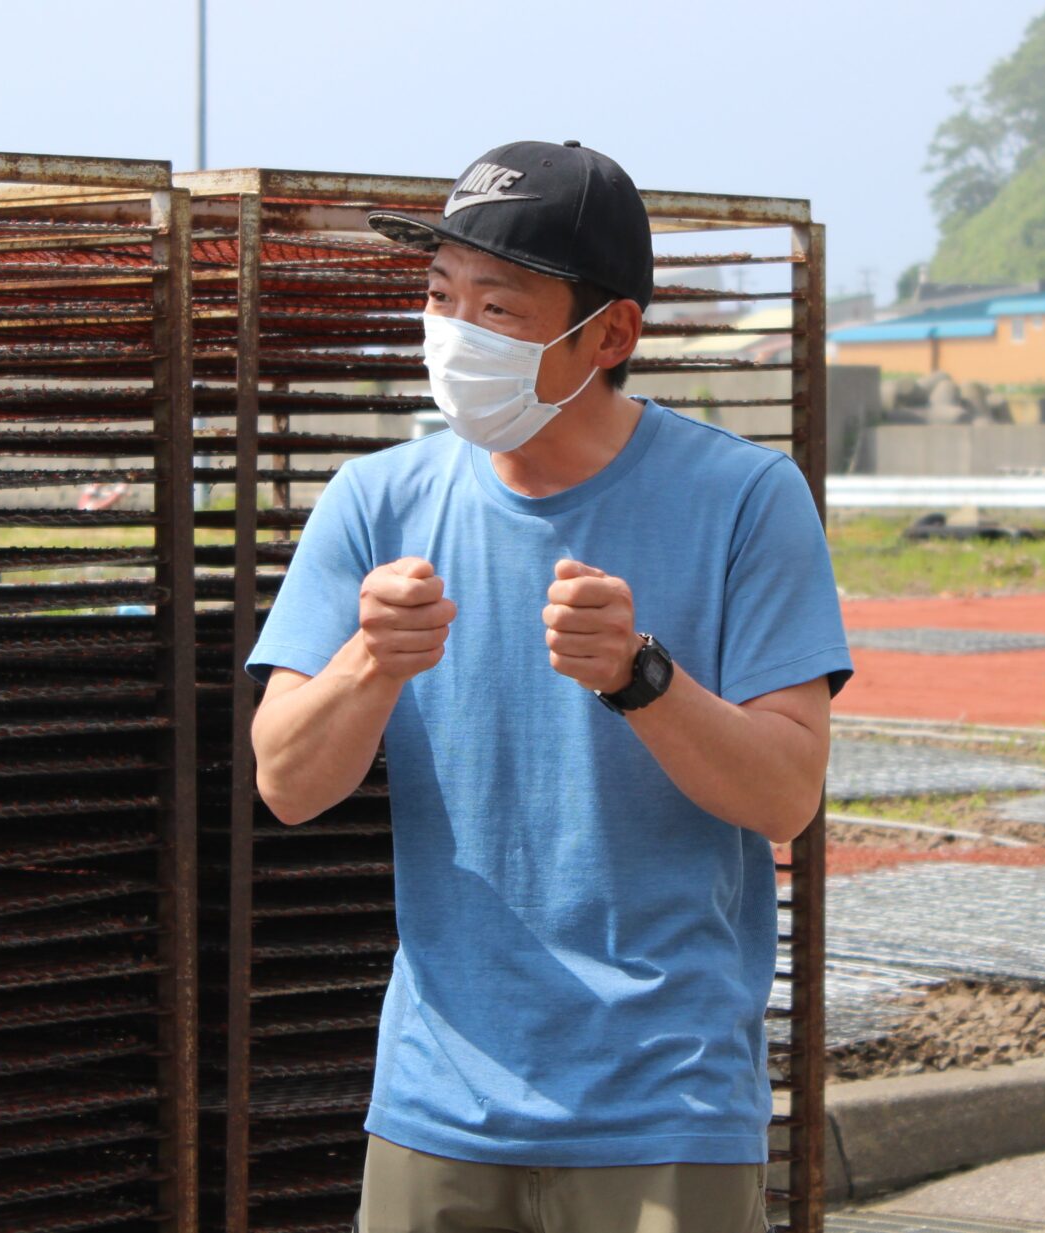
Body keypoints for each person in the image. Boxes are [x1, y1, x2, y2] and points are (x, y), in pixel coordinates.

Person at [246, 140, 853, 1233]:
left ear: (611, 333)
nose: (455, 332)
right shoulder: (374, 502)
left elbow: (787, 796)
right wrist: (369, 662)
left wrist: (641, 678)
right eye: (441, 296)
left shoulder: (747, 499)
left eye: (500, 305)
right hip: (437, 1106)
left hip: (664, 1110)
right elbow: (287, 779)